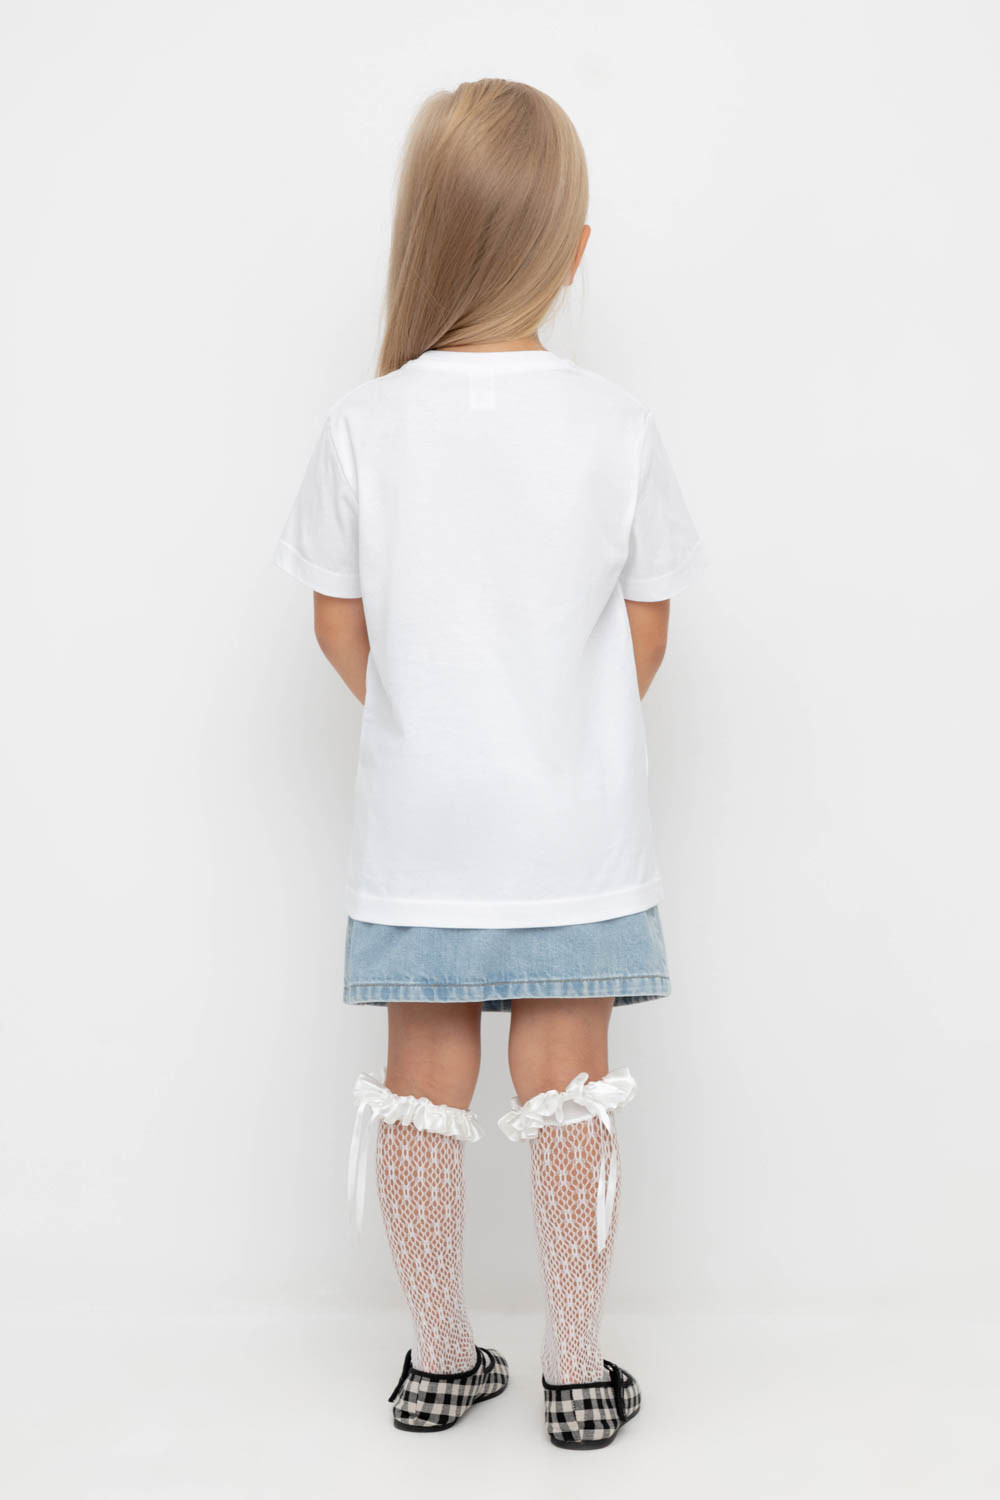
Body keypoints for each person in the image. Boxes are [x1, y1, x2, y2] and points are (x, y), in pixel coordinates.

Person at [273, 77, 704, 1449]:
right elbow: (646, 626)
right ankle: (576, 1371)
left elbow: (337, 624)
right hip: (573, 826)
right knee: (571, 1087)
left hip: (426, 827)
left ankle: (439, 1360)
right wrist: (559, 723)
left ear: (428, 238)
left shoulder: (364, 422)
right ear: (571, 248)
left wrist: (433, 713)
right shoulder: (614, 424)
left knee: (421, 1085)